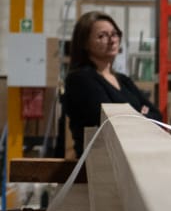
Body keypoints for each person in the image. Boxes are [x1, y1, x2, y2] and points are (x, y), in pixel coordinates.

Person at [61, 12, 161, 153]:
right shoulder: (80, 79)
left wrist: (135, 118)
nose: (112, 40)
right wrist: (141, 115)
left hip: (132, 156)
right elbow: (109, 123)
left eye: (114, 34)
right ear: (84, 43)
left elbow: (157, 116)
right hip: (100, 163)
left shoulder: (123, 80)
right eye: (102, 36)